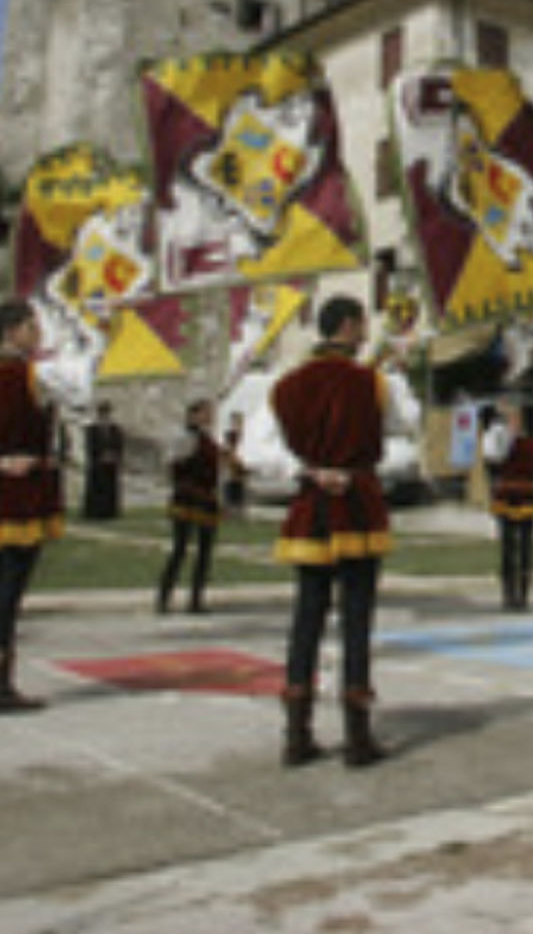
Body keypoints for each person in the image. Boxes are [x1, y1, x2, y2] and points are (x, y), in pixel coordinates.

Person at [237, 296, 418, 769]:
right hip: (357, 504)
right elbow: (404, 434)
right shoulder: (375, 383)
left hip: (312, 504)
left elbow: (254, 450)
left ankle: (297, 736)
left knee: (307, 618)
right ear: (349, 325)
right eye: (361, 324)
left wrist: (309, 469)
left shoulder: (286, 384)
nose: (364, 333)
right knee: (356, 620)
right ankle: (357, 739)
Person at [0, 299, 93, 715]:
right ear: (11, 333)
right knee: (9, 589)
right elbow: (83, 388)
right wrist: (89, 336)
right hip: (26, 494)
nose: (37, 333)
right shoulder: (37, 375)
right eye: (31, 326)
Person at [483, 401, 533, 612]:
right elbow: (492, 455)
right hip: (506, 498)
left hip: (527, 499)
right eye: (510, 419)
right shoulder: (498, 440)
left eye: (516, 419)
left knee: (526, 547)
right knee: (508, 547)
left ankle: (523, 595)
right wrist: (503, 431)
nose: (513, 422)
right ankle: (508, 594)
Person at [157, 398, 223, 615]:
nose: (210, 417)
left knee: (204, 552)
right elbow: (172, 465)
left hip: (206, 499)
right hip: (187, 499)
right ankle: (164, 598)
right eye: (206, 413)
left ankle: (196, 598)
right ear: (194, 414)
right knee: (180, 549)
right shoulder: (184, 437)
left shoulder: (208, 439)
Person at [80, 402, 125, 521]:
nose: (105, 417)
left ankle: (110, 511)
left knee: (110, 488)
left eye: (107, 413)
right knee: (97, 488)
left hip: (111, 464)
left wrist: (114, 456)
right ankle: (95, 512)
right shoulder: (92, 429)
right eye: (103, 414)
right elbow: (89, 446)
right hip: (97, 464)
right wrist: (100, 456)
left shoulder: (115, 429)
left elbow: (119, 445)